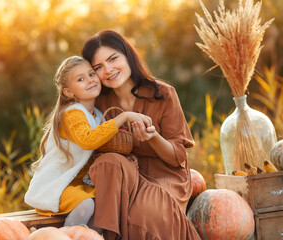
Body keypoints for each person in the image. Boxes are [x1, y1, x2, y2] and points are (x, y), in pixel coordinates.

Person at [82, 30, 201, 239]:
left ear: (128, 55)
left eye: (113, 59)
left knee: (145, 214)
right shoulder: (99, 103)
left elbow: (178, 158)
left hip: (164, 174)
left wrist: (153, 138)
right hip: (122, 176)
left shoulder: (163, 94)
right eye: (98, 67)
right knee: (108, 166)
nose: (108, 70)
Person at [24, 55, 152, 227]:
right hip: (57, 186)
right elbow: (88, 140)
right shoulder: (72, 113)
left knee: (106, 206)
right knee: (85, 205)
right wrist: (124, 116)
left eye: (91, 74)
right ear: (68, 92)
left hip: (78, 186)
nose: (90, 80)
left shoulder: (97, 114)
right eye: (80, 79)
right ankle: (64, 238)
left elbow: (102, 144)